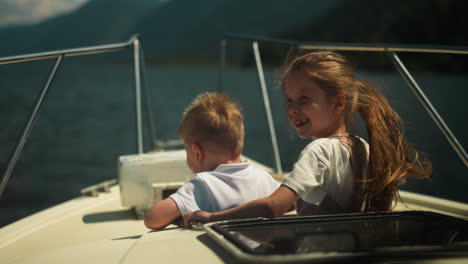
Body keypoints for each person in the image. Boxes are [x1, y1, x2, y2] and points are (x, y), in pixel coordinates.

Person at [183, 51, 431, 227]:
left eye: (304, 99)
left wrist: (211, 217)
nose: (292, 108)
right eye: (289, 99)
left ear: (338, 103)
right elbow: (312, 197)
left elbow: (272, 208)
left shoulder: (319, 151)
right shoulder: (362, 146)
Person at [144, 92, 280, 230]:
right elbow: (290, 204)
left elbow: (152, 218)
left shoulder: (203, 184)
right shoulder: (263, 177)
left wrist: (178, 215)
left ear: (197, 153)